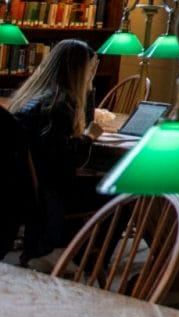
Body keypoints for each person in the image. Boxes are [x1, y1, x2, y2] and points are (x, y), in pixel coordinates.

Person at [6, 39, 114, 262]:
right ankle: (92, 259)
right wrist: (88, 137)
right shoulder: (60, 104)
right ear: (78, 70)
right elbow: (64, 161)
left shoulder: (32, 96)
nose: (92, 73)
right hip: (47, 192)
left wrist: (89, 87)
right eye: (90, 69)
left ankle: (78, 250)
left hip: (20, 187)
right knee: (121, 191)